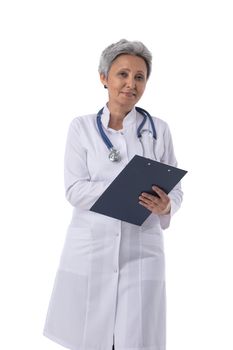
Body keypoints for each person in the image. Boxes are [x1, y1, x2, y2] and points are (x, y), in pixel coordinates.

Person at [43, 39, 183, 350]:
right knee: (90, 338)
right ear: (103, 77)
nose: (130, 84)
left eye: (139, 77)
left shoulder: (159, 129)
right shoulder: (81, 129)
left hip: (142, 251)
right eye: (122, 74)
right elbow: (74, 189)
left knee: (138, 339)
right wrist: (125, 188)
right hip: (92, 249)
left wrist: (166, 205)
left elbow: (175, 187)